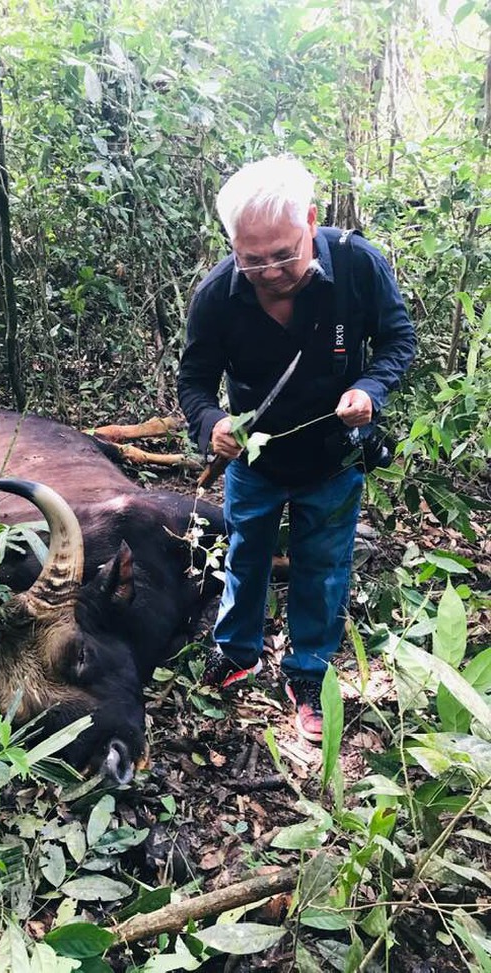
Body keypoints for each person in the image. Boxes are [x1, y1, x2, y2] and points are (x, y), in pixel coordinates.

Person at [178, 156, 415, 743]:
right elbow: (195, 381)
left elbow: (397, 339)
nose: (268, 271)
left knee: (325, 568)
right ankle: (237, 652)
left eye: (283, 254)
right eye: (251, 258)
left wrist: (369, 389)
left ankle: (308, 672)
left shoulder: (358, 265)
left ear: (311, 221)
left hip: (334, 459)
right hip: (256, 465)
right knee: (244, 555)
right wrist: (211, 424)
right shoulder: (216, 295)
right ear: (231, 244)